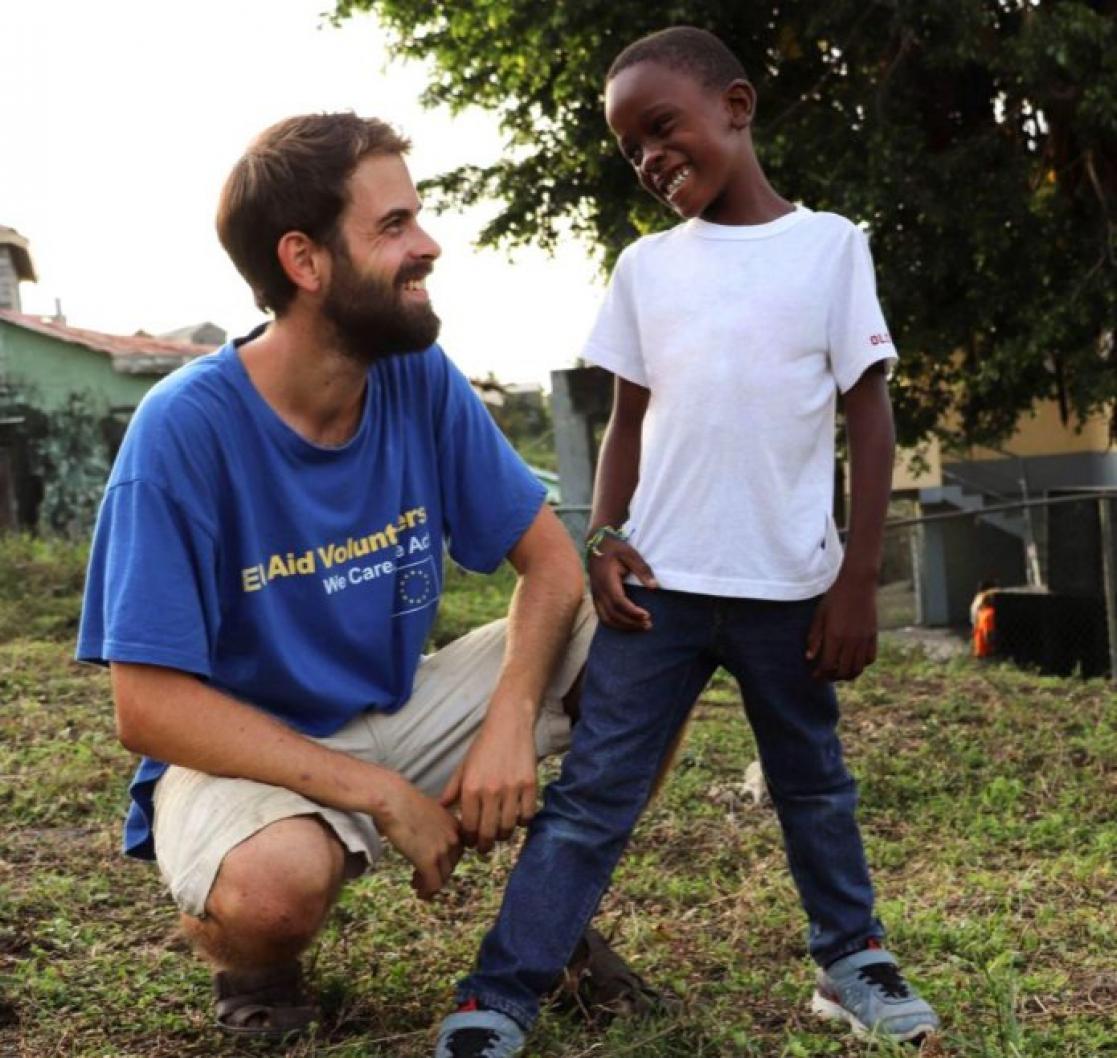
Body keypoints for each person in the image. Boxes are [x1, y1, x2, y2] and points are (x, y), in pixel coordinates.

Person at [76, 112, 652, 1038]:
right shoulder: (183, 430)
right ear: (303, 262)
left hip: (400, 707)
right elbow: (146, 706)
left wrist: (508, 718)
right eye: (392, 227)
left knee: (643, 638)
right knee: (273, 891)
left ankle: (550, 924)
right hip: (248, 753)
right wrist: (382, 797)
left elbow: (551, 564)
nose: (426, 246)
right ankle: (257, 970)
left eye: (415, 219)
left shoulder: (416, 378)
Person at [436, 27, 940, 1057]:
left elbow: (870, 418)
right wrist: (606, 537)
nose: (651, 157)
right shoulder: (645, 269)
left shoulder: (831, 245)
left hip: (788, 589)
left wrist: (854, 577)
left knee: (811, 783)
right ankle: (500, 998)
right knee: (591, 799)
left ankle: (852, 961)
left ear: (737, 107)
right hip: (655, 591)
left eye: (662, 127)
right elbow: (627, 420)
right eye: (632, 149)